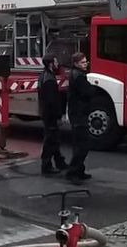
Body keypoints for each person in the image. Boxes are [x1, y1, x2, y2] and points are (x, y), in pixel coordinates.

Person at [66, 52, 96, 182]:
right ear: (76, 63)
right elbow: (87, 92)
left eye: (86, 62)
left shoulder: (76, 74)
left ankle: (79, 170)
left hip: (78, 113)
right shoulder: (79, 77)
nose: (86, 64)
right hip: (79, 114)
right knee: (82, 145)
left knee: (80, 144)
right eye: (83, 62)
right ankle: (73, 172)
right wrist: (92, 88)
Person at [37, 55, 68, 174]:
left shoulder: (43, 75)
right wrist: (58, 115)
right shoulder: (49, 79)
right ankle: (46, 166)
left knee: (53, 139)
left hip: (46, 113)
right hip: (50, 115)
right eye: (55, 61)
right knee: (51, 140)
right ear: (50, 63)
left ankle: (59, 162)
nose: (57, 63)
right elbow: (52, 101)